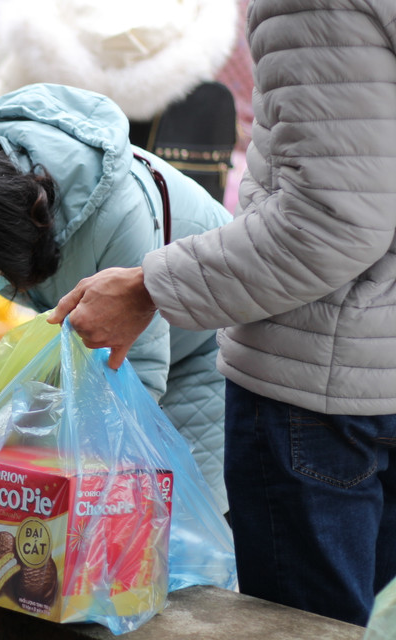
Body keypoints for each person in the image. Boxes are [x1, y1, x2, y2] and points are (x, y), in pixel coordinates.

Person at [48, 1, 396, 626]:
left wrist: (148, 286)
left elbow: (330, 222)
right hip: (365, 368)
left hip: (322, 389)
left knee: (307, 628)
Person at [0, 83, 233, 515]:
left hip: (205, 351)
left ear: (10, 252)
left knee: (166, 523)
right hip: (117, 364)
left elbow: (128, 384)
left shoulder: (114, 214)